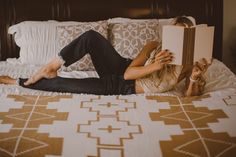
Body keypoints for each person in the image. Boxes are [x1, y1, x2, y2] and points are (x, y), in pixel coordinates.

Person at [0, 16, 211, 96]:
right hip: (123, 68)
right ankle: (51, 64)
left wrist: (193, 77)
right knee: (91, 36)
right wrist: (153, 63)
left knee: (66, 85)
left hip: (122, 86)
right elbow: (129, 71)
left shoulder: (191, 63)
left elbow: (190, 95)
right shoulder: (156, 46)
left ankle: (14, 81)